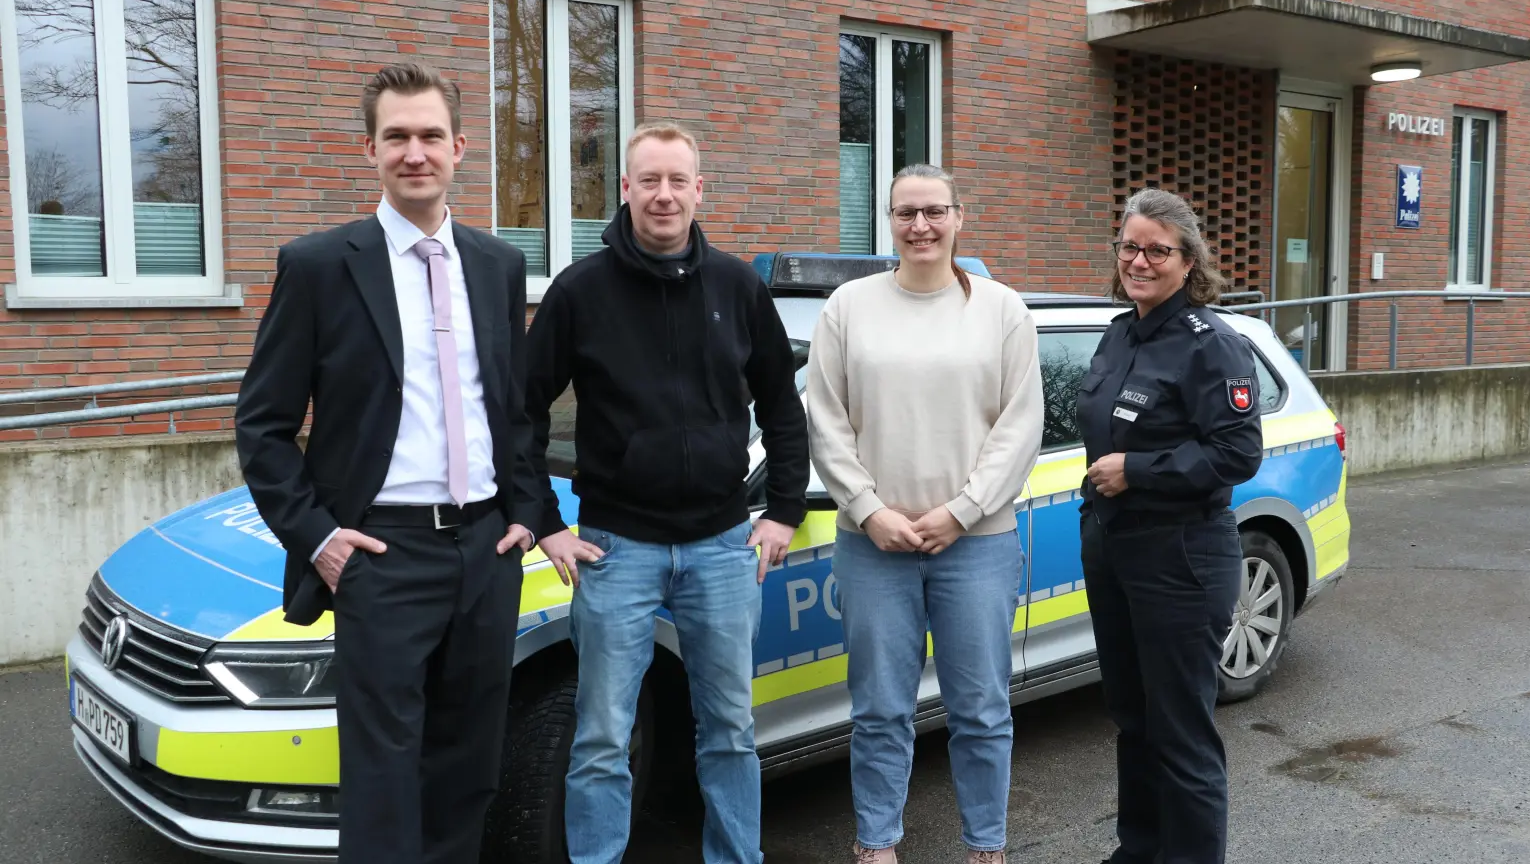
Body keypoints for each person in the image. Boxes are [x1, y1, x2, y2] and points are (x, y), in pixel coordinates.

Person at [235, 62, 536, 864]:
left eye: (430, 135)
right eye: (396, 136)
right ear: (368, 149)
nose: (415, 152)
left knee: (469, 764)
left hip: (484, 549)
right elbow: (263, 425)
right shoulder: (319, 266)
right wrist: (320, 539)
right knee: (381, 773)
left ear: (460, 147)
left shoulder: (498, 266)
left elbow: (510, 407)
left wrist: (526, 516)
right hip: (379, 555)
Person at [522, 122, 809, 864]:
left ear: (699, 189)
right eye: (648, 179)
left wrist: (781, 511)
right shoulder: (580, 291)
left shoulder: (739, 286)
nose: (663, 194)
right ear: (624, 188)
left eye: (678, 180)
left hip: (722, 546)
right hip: (617, 546)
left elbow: (782, 405)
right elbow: (518, 414)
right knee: (602, 736)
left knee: (731, 730)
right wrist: (545, 523)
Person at [806, 163, 1044, 864]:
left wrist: (964, 511)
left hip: (976, 545)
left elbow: (1020, 425)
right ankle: (876, 843)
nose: (920, 226)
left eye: (934, 211)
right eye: (906, 213)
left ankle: (986, 844)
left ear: (959, 216)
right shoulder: (848, 307)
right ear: (889, 221)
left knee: (980, 710)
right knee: (880, 710)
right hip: (872, 546)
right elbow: (825, 419)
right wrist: (868, 508)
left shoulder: (1001, 309)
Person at [1075, 187, 1264, 864]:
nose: (1141, 260)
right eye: (1130, 246)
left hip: (1180, 557)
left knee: (1181, 732)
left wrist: (1140, 471)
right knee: (1133, 719)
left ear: (1188, 262)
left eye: (1158, 250)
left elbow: (1238, 453)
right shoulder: (1121, 330)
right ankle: (1141, 850)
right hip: (1117, 548)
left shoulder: (1210, 344)